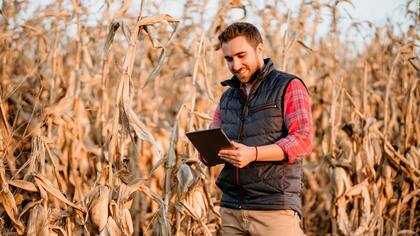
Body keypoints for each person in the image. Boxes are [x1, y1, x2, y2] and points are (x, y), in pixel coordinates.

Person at [207, 22, 313, 235]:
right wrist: (208, 151)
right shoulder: (227, 97)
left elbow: (303, 140)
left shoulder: (288, 86)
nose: (235, 65)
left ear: (259, 50)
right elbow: (215, 140)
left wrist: (253, 154)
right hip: (232, 211)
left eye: (241, 55)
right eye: (229, 59)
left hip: (275, 211)